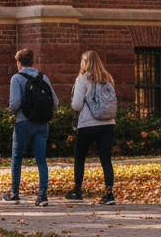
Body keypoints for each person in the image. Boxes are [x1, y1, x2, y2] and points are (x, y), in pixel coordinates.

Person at [4, 47, 58, 206]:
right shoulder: (43, 77)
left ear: (19, 62)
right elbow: (55, 102)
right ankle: (42, 195)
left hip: (23, 122)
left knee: (17, 157)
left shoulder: (16, 78)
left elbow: (14, 104)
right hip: (42, 123)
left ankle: (15, 193)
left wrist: (12, 111)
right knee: (41, 159)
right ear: (32, 61)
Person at [65, 50, 117, 205]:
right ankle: (108, 193)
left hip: (88, 123)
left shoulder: (82, 79)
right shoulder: (107, 79)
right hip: (108, 123)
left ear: (84, 63)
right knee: (106, 159)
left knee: (80, 157)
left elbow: (76, 105)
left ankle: (77, 190)